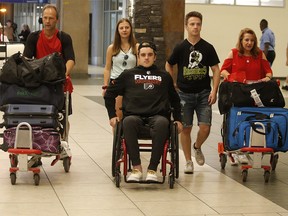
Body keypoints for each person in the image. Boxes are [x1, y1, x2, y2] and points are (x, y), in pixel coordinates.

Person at [104, 41, 183, 182]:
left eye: (150, 55)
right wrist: (112, 116)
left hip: (158, 117)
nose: (146, 58)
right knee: (128, 121)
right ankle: (137, 168)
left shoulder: (164, 76)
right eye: (143, 55)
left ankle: (152, 169)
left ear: (155, 57)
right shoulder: (127, 75)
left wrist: (178, 119)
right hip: (134, 117)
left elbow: (175, 100)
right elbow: (109, 94)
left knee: (162, 123)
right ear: (138, 57)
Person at [165, 11, 221, 174]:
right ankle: (188, 161)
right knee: (186, 128)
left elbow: (216, 70)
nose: (195, 27)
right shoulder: (180, 47)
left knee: (205, 128)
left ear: (201, 25)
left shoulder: (208, 47)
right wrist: (172, 83)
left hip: (204, 94)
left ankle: (197, 146)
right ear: (186, 26)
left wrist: (214, 90)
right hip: (183, 94)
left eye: (198, 24)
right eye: (192, 24)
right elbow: (168, 64)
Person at [23, 4, 75, 166]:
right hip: (39, 83)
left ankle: (63, 142)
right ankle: (36, 145)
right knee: (36, 115)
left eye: (51, 18)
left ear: (56, 20)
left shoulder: (64, 38)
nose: (47, 21)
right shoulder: (33, 37)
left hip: (59, 83)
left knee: (63, 115)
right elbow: (27, 60)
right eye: (45, 17)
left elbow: (71, 59)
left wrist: (64, 74)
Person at [221, 28, 273, 165]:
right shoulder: (234, 53)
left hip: (256, 94)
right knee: (238, 118)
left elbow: (269, 72)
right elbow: (224, 70)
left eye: (252, 40)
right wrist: (230, 78)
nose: (249, 43)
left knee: (256, 119)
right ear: (241, 41)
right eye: (246, 40)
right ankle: (237, 148)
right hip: (239, 93)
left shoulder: (260, 54)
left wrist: (267, 79)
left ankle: (256, 145)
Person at [103, 18, 138, 120]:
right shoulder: (112, 48)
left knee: (130, 114)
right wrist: (105, 85)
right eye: (121, 28)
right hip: (116, 82)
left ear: (131, 29)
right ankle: (116, 135)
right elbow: (107, 68)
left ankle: (127, 135)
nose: (124, 30)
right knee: (118, 115)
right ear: (117, 30)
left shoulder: (136, 47)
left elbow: (139, 67)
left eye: (127, 27)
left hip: (132, 83)